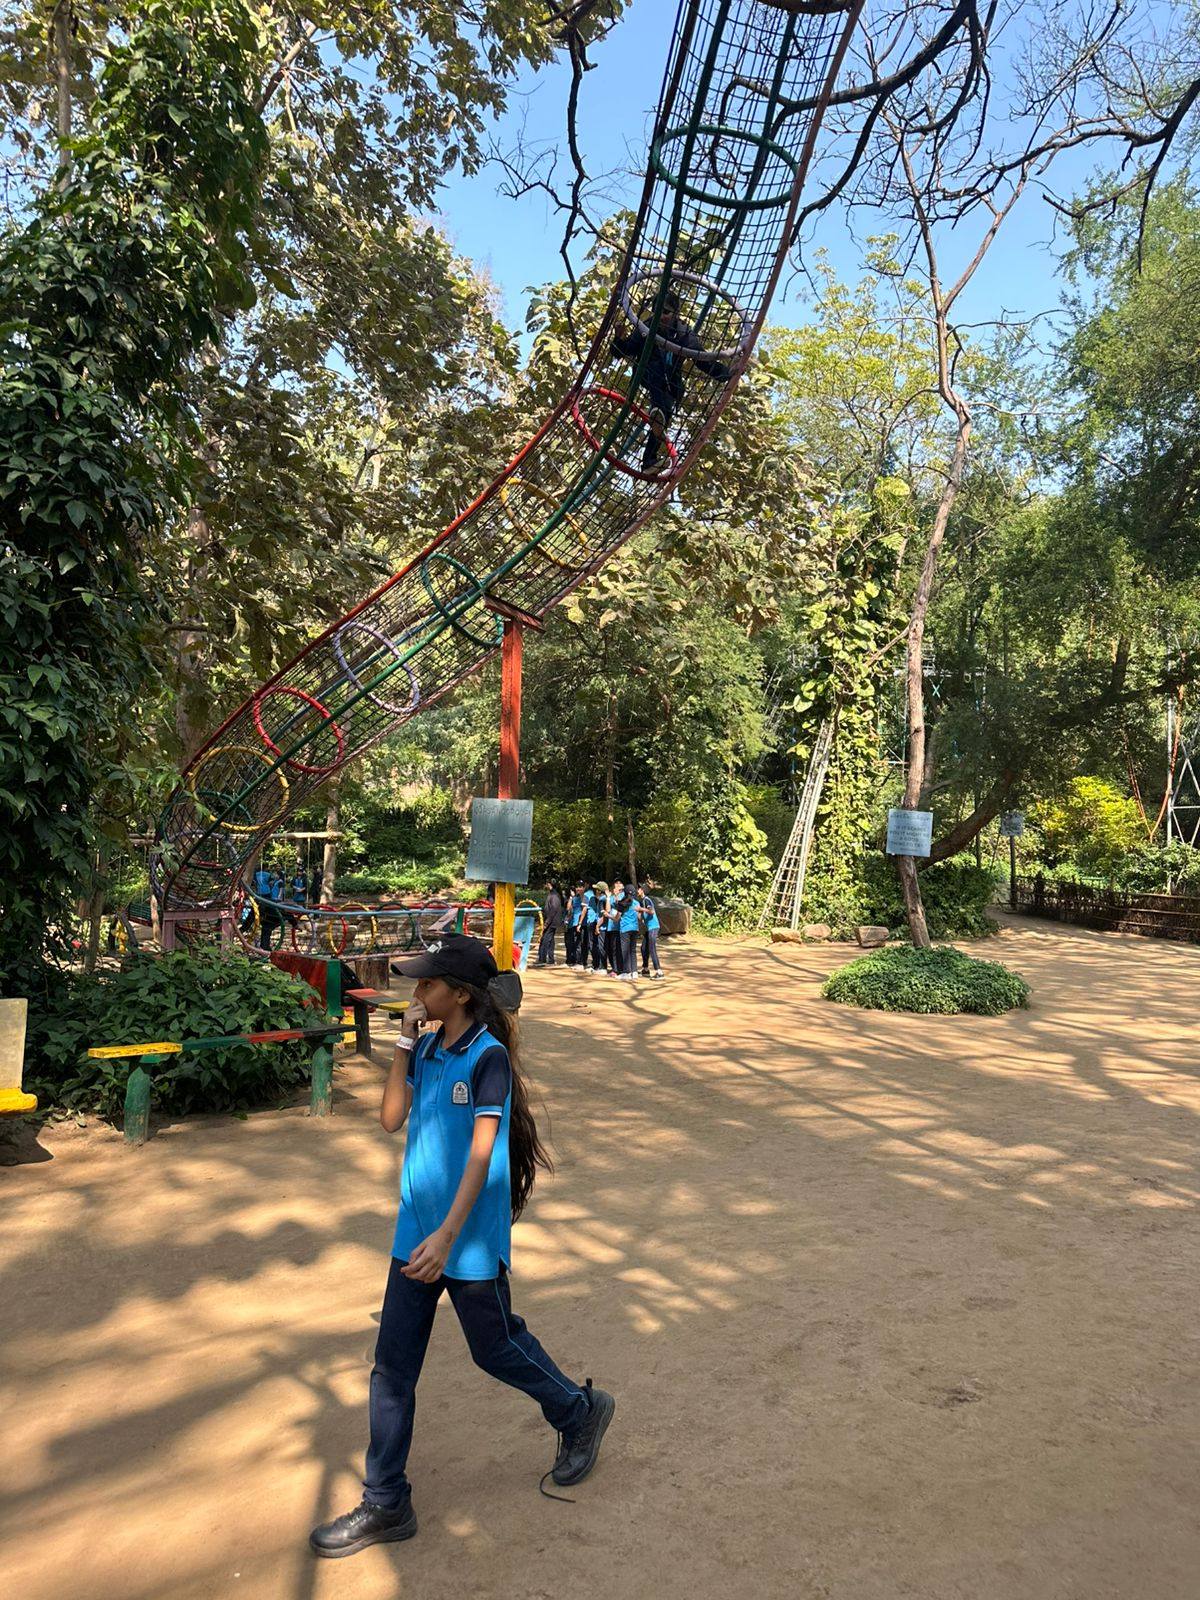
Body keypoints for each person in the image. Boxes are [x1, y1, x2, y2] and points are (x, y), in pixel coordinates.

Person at [309, 936, 615, 1560]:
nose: (417, 990)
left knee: (494, 1347)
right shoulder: (425, 1048)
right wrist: (403, 1044)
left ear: (462, 995)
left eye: (427, 983)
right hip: (414, 1236)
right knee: (392, 1369)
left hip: (466, 1239)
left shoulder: (487, 1057)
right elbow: (390, 1119)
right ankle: (386, 1500)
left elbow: (482, 1155)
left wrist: (449, 1235)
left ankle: (577, 1411)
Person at [611, 287, 733, 470]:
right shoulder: (647, 327)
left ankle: (649, 461)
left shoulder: (683, 333)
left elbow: (702, 360)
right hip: (647, 372)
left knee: (666, 409)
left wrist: (727, 373)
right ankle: (657, 412)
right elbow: (624, 350)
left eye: (666, 312)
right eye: (658, 311)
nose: (661, 317)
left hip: (670, 381)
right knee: (657, 377)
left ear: (676, 313)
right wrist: (618, 339)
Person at [637, 885, 664, 979]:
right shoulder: (642, 902)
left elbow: (651, 911)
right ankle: (645, 969)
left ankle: (659, 972)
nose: (637, 890)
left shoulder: (647, 900)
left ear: (642, 890)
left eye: (638, 889)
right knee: (644, 948)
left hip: (654, 927)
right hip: (649, 928)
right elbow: (640, 918)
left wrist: (641, 909)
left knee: (652, 948)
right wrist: (638, 912)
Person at [617, 885, 641, 981]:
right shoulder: (637, 903)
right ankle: (634, 972)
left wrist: (609, 916)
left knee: (625, 950)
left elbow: (617, 918)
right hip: (635, 928)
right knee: (632, 950)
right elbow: (639, 917)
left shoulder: (622, 903)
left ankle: (627, 972)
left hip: (625, 929)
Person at [537, 881, 563, 966]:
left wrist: (547, 923)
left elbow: (553, 910)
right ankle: (550, 959)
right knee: (550, 940)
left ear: (550, 885)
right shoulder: (552, 894)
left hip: (552, 922)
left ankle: (542, 959)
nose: (546, 885)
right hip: (551, 921)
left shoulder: (554, 895)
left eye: (547, 884)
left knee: (545, 939)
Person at [564, 881, 583, 969]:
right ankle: (571, 960)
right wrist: (571, 897)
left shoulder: (583, 898)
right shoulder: (573, 898)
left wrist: (580, 923)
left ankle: (578, 961)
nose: (577, 889)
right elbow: (568, 908)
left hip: (578, 922)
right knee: (570, 943)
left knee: (578, 943)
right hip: (572, 923)